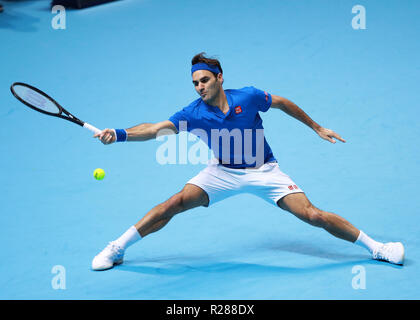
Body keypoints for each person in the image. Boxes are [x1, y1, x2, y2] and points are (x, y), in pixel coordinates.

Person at [91, 52, 404, 271]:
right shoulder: (193, 113)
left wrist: (317, 127)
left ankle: (377, 248)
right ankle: (117, 247)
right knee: (173, 203)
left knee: (314, 215)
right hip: (222, 172)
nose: (199, 87)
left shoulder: (248, 96)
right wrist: (118, 134)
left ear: (219, 78)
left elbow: (282, 103)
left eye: (204, 80)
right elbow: (155, 129)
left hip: (265, 171)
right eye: (195, 83)